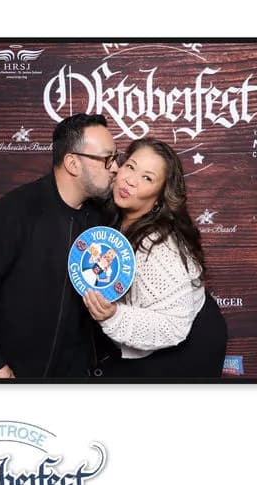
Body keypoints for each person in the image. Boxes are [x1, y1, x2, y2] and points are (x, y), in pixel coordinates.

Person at [0, 113, 119, 379]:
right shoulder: (13, 212)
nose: (115, 168)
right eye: (107, 159)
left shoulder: (103, 219)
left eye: (116, 157)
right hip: (19, 374)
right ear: (73, 163)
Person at [81, 138, 227, 378]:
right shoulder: (114, 218)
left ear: (159, 197)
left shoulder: (158, 247)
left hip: (186, 351)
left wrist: (113, 316)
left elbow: (174, 326)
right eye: (130, 166)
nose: (130, 180)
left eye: (147, 178)